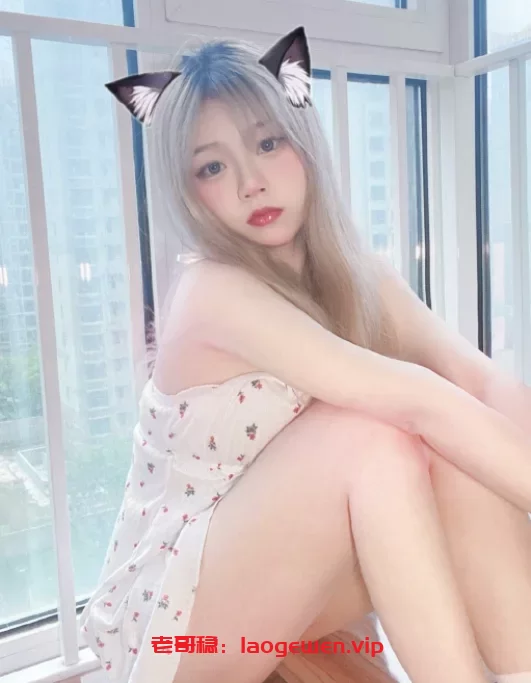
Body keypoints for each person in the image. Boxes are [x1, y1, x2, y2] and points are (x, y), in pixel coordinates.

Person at [79, 26, 531, 683]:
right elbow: (414, 400)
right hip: (177, 635)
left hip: (284, 592)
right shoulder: (213, 292)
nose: (251, 182)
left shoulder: (358, 276)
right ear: (187, 188)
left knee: (454, 450)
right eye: (211, 167)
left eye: (268, 143)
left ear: (303, 138)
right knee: (371, 433)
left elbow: (478, 382)